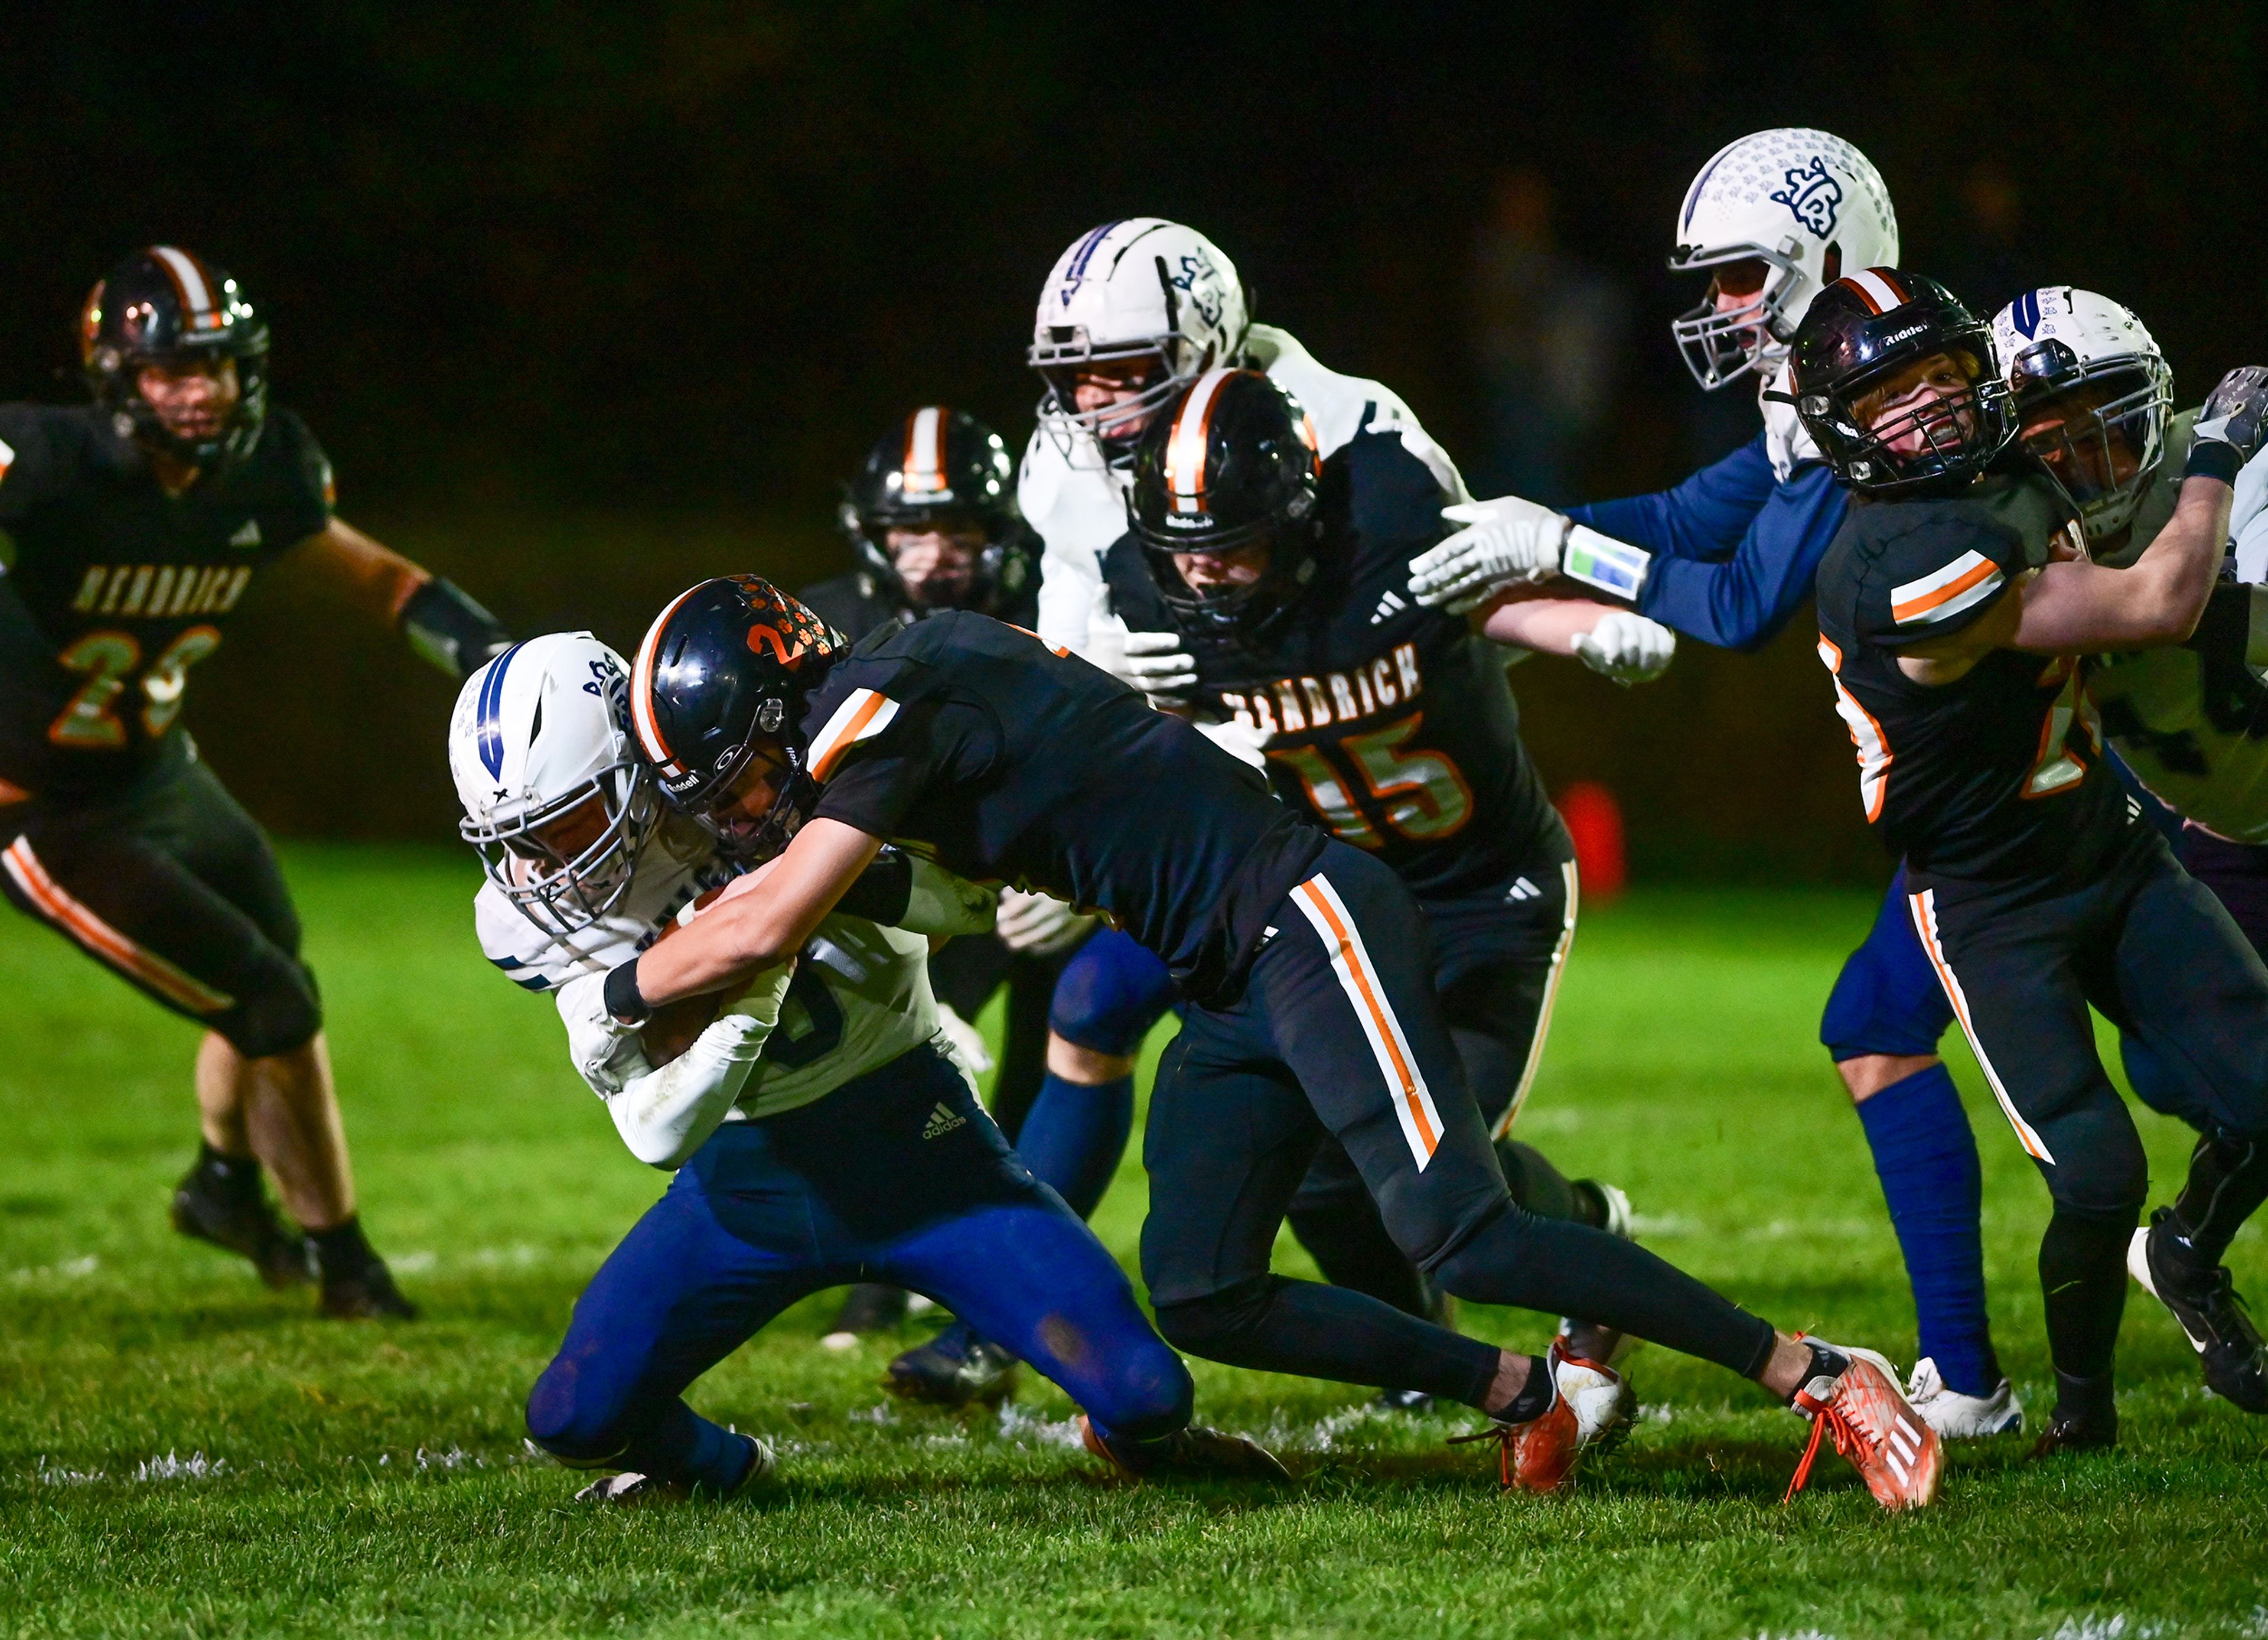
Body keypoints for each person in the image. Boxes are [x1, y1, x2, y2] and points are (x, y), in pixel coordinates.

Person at [607, 568, 1943, 1507]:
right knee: (1199, 1286)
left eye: (744, 777)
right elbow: (945, 889)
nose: (746, 810)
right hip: (1223, 961)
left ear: (789, 694)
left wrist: (616, 993)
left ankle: (1820, 1372)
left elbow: (764, 925)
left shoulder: (881, 704)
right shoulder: (906, 688)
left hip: (1302, 916)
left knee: (1459, 1231)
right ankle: (1520, 1389)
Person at [1405, 130, 2026, 1440]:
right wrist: (1502, 526)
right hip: (1982, 783)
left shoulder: (1877, 396)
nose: (1725, 307)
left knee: (2129, 1095)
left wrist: (1560, 544)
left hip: (2023, 789)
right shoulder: (1821, 387)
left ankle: (2005, 1372)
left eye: (1746, 276)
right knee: (1880, 1022)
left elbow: (1738, 603)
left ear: (1833, 256)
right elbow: (1694, 519)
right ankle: (1973, 1380)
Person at [449, 630, 1283, 1500]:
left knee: (1150, 1398)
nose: (542, 864)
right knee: (572, 1419)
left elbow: (965, 904)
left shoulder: (755, 778)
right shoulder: (525, 912)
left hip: (927, 1152)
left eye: (565, 822)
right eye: (518, 837)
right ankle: (723, 1471)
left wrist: (834, 882)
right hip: (747, 1190)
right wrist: (736, 984)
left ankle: (1127, 1440)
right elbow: (647, 1112)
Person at [1101, 367, 1654, 1397]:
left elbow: (1494, 603)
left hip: (1483, 888)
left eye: (1234, 548)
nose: (1210, 578)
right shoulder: (1148, 595)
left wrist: (1583, 627)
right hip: (1334, 907)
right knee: (1324, 1163)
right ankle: (1418, 1338)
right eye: (1188, 554)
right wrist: (1147, 704)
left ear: (1301, 517)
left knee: (1443, 1157)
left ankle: (1584, 1227)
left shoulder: (1383, 523)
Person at [1795, 266, 2268, 1452]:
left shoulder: (1996, 476)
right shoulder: (1905, 561)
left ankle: (2189, 1256)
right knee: (2097, 1167)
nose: (1933, 405)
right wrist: (2215, 454)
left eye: (1945, 373)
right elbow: (2156, 603)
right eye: (1894, 391)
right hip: (1992, 901)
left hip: (2110, 849)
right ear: (1846, 427)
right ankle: (2079, 1412)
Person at [0, 246, 512, 1317]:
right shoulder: (40, 460)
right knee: (273, 1003)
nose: (201, 392)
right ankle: (346, 1264)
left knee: (276, 965)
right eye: (172, 371)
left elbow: (382, 581)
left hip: (158, 771)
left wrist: (489, 655)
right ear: (116, 376)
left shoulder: (266, 468)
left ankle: (227, 1184)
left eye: (218, 368)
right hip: (39, 808)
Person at [1985, 286, 2268, 1389]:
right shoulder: (2001, 530)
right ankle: (2186, 1247)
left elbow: (2199, 612)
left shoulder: (2232, 473)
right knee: (2224, 1088)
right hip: (2212, 839)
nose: (2075, 457)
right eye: (2041, 436)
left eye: (2094, 417)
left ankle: (2186, 1249)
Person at [798, 406, 1096, 1386]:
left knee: (1050, 1056)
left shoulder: (1062, 600)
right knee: (893, 1065)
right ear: (872, 536)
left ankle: (1014, 1262)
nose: (933, 557)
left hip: (1045, 870)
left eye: (958, 532)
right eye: (912, 533)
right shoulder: (820, 621)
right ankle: (884, 1270)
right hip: (906, 884)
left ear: (999, 532)